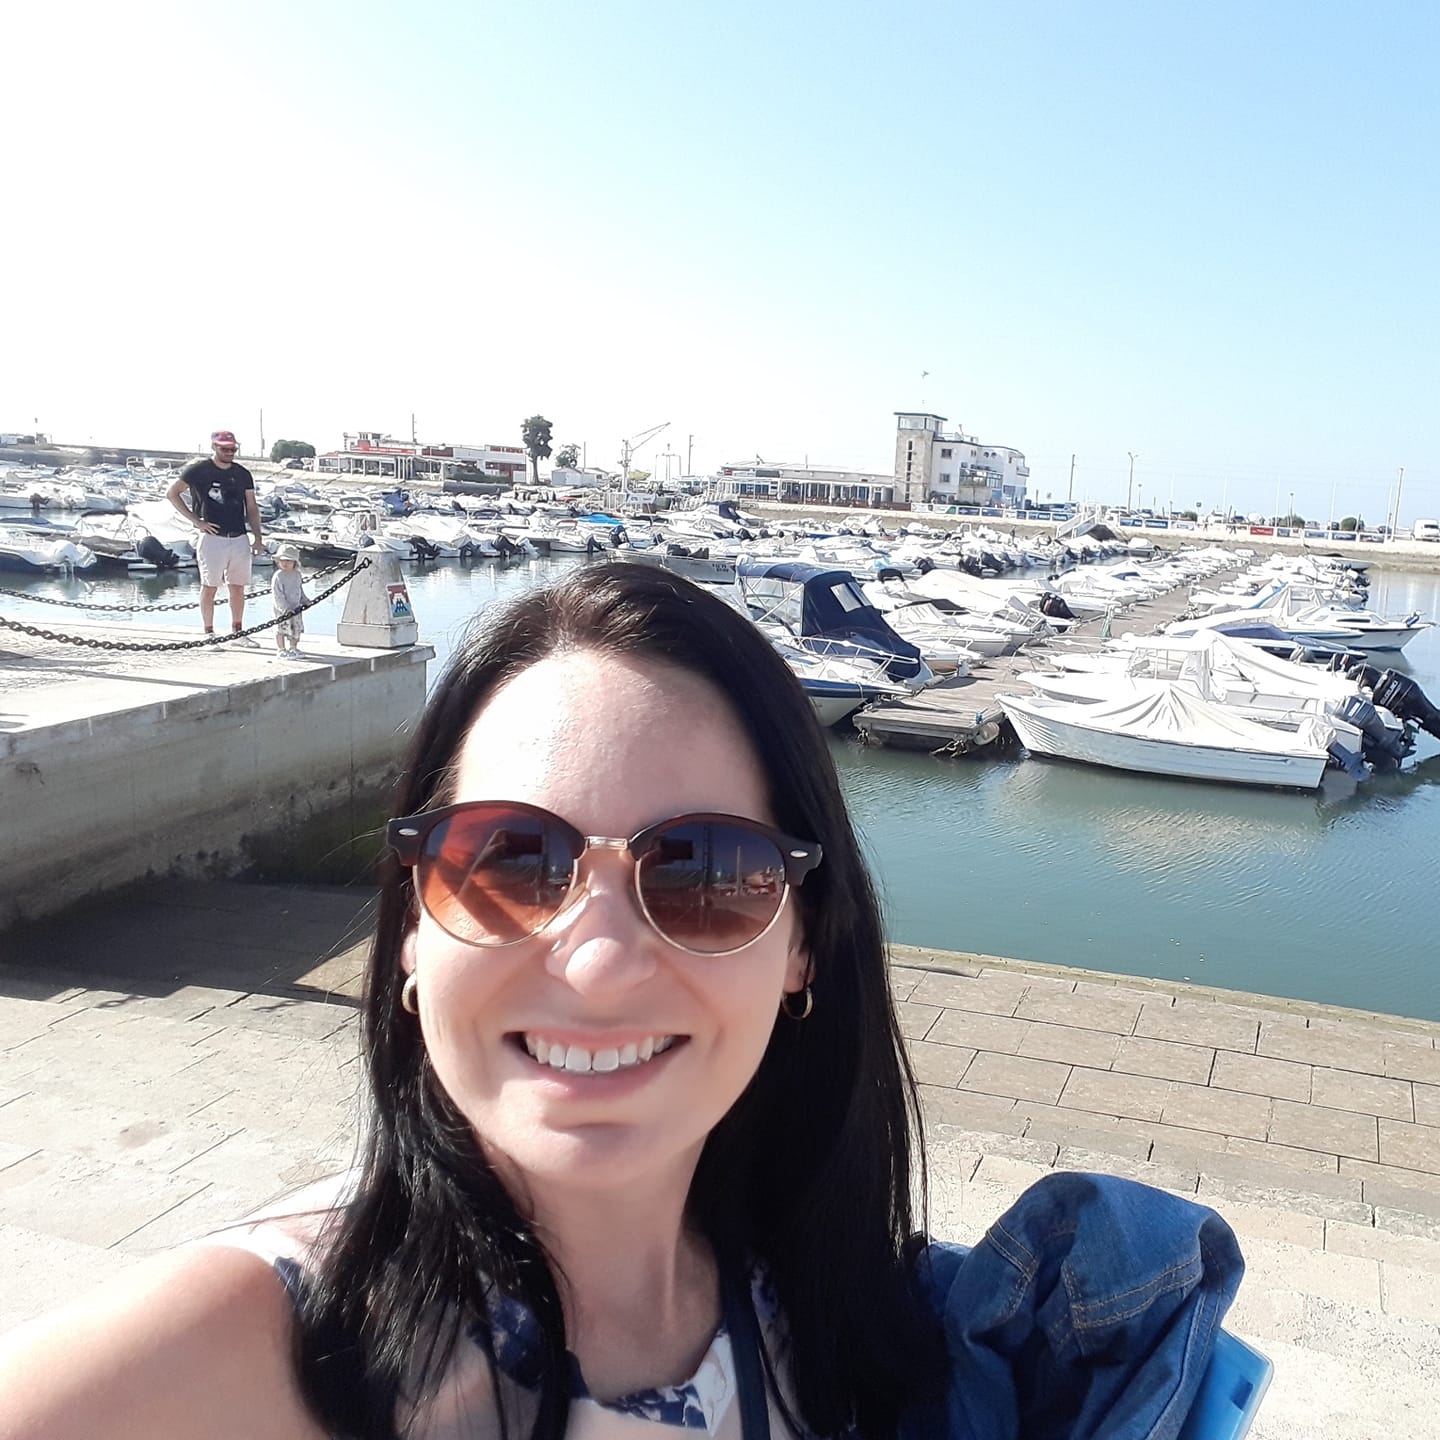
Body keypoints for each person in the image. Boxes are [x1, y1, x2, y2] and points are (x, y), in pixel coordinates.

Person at [0, 563, 1244, 1440]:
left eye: (702, 874)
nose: (595, 964)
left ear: (804, 945)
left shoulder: (854, 1332)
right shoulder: (236, 1359)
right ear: (413, 932)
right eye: (506, 862)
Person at [166, 430, 266, 641]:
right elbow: (172, 493)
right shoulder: (198, 470)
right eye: (225, 449)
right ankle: (209, 632)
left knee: (237, 587)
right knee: (210, 586)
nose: (229, 452)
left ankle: (238, 632)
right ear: (214, 447)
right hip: (212, 537)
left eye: (233, 449)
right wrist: (196, 521)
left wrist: (258, 537)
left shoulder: (242, 473)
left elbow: (251, 507)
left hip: (239, 536)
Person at [271, 543, 307, 659]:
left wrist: (305, 600)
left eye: (288, 560)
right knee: (281, 629)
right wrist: (284, 608)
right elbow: (277, 594)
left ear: (295, 562)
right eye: (282, 560)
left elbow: (299, 589)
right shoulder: (278, 576)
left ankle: (293, 647)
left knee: (296, 629)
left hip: (296, 607)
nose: (285, 563)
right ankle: (281, 649)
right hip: (282, 610)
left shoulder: (297, 575)